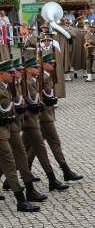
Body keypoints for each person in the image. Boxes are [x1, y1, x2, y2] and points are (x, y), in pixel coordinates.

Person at [21, 57, 69, 192]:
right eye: (35, 67)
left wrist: (41, 104)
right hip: (31, 120)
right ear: (28, 69)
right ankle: (53, 179)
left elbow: (36, 98)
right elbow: (24, 100)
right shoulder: (26, 82)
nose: (38, 69)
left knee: (22, 150)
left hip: (35, 119)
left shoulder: (33, 80)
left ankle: (9, 181)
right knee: (38, 149)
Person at [0, 59, 40, 212]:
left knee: (21, 155)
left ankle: (29, 189)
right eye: (10, 72)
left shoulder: (9, 86)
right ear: (1, 74)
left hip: (11, 127)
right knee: (9, 163)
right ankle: (20, 200)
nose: (14, 74)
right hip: (1, 131)